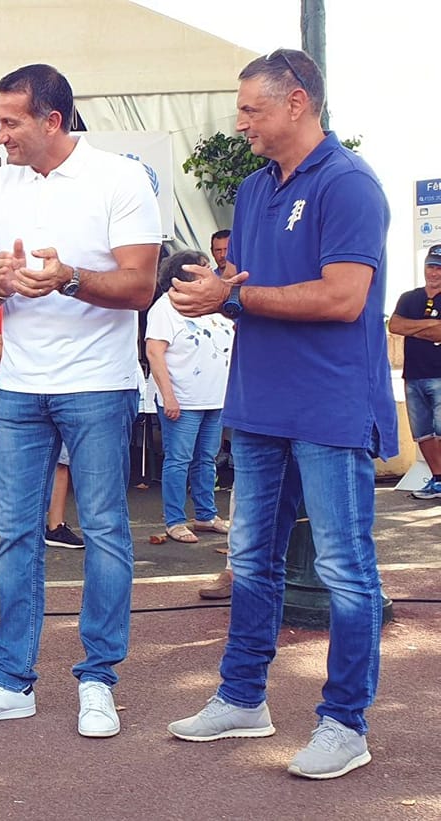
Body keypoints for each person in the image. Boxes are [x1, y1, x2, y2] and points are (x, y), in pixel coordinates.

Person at [166, 49, 395, 781]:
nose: (242, 124)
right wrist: (217, 288)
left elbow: (342, 298)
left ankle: (344, 724)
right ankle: (242, 698)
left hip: (330, 409)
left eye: (251, 110)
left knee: (345, 572)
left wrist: (232, 298)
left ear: (296, 102)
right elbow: (248, 287)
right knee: (251, 562)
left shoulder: (352, 184)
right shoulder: (253, 189)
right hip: (259, 404)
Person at [0, 64, 161, 739]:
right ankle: (11, 681)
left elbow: (139, 285)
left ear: (53, 121)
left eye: (11, 121)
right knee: (15, 534)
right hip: (22, 388)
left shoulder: (119, 178)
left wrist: (67, 278)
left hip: (99, 384)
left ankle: (98, 680)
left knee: (103, 531)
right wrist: (2, 281)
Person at [144, 250, 234, 543]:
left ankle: (206, 515)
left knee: (206, 459)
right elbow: (154, 352)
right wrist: (168, 396)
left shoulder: (214, 304)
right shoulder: (164, 308)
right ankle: (175, 520)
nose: (210, 271)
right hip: (182, 399)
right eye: (203, 268)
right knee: (179, 460)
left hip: (214, 398)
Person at [0, 306, 84, 549]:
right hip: (26, 389)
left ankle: (55, 525)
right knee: (23, 494)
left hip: (74, 388)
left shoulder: (78, 302)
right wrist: (34, 352)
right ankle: (44, 526)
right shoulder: (12, 301)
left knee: (64, 464)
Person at [388, 245, 441, 500]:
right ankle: (438, 479)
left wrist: (414, 328)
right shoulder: (409, 297)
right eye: (431, 266)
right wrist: (429, 325)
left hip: (439, 376)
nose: (435, 272)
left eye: (439, 268)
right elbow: (395, 325)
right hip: (413, 376)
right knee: (423, 433)